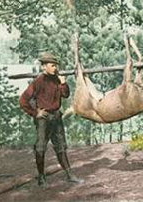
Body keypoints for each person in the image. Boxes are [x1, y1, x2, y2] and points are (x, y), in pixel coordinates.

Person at [19, 52, 84, 188]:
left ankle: (69, 175)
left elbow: (65, 95)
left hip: (56, 117)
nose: (55, 68)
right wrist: (35, 112)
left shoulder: (57, 80)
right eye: (52, 65)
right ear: (44, 67)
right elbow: (23, 100)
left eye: (56, 65)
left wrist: (63, 83)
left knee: (61, 146)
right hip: (44, 118)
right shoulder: (38, 81)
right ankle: (41, 178)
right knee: (40, 148)